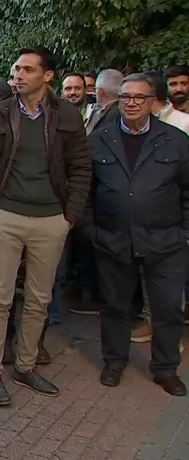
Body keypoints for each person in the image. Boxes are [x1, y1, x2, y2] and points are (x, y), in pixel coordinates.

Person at [0, 47, 91, 407]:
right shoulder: (0, 112)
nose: (18, 75)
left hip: (51, 220)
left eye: (26, 69)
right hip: (5, 217)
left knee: (39, 299)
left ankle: (25, 365)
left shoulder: (67, 114)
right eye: (15, 69)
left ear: (47, 75)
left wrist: (69, 217)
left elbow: (81, 169)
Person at [86, 73, 188, 396]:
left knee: (168, 308)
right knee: (115, 306)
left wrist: (185, 233)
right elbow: (84, 193)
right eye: (125, 97)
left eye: (139, 97)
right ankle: (114, 361)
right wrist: (92, 232)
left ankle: (165, 368)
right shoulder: (99, 139)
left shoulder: (175, 140)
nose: (131, 103)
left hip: (166, 242)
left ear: (152, 102)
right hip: (114, 239)